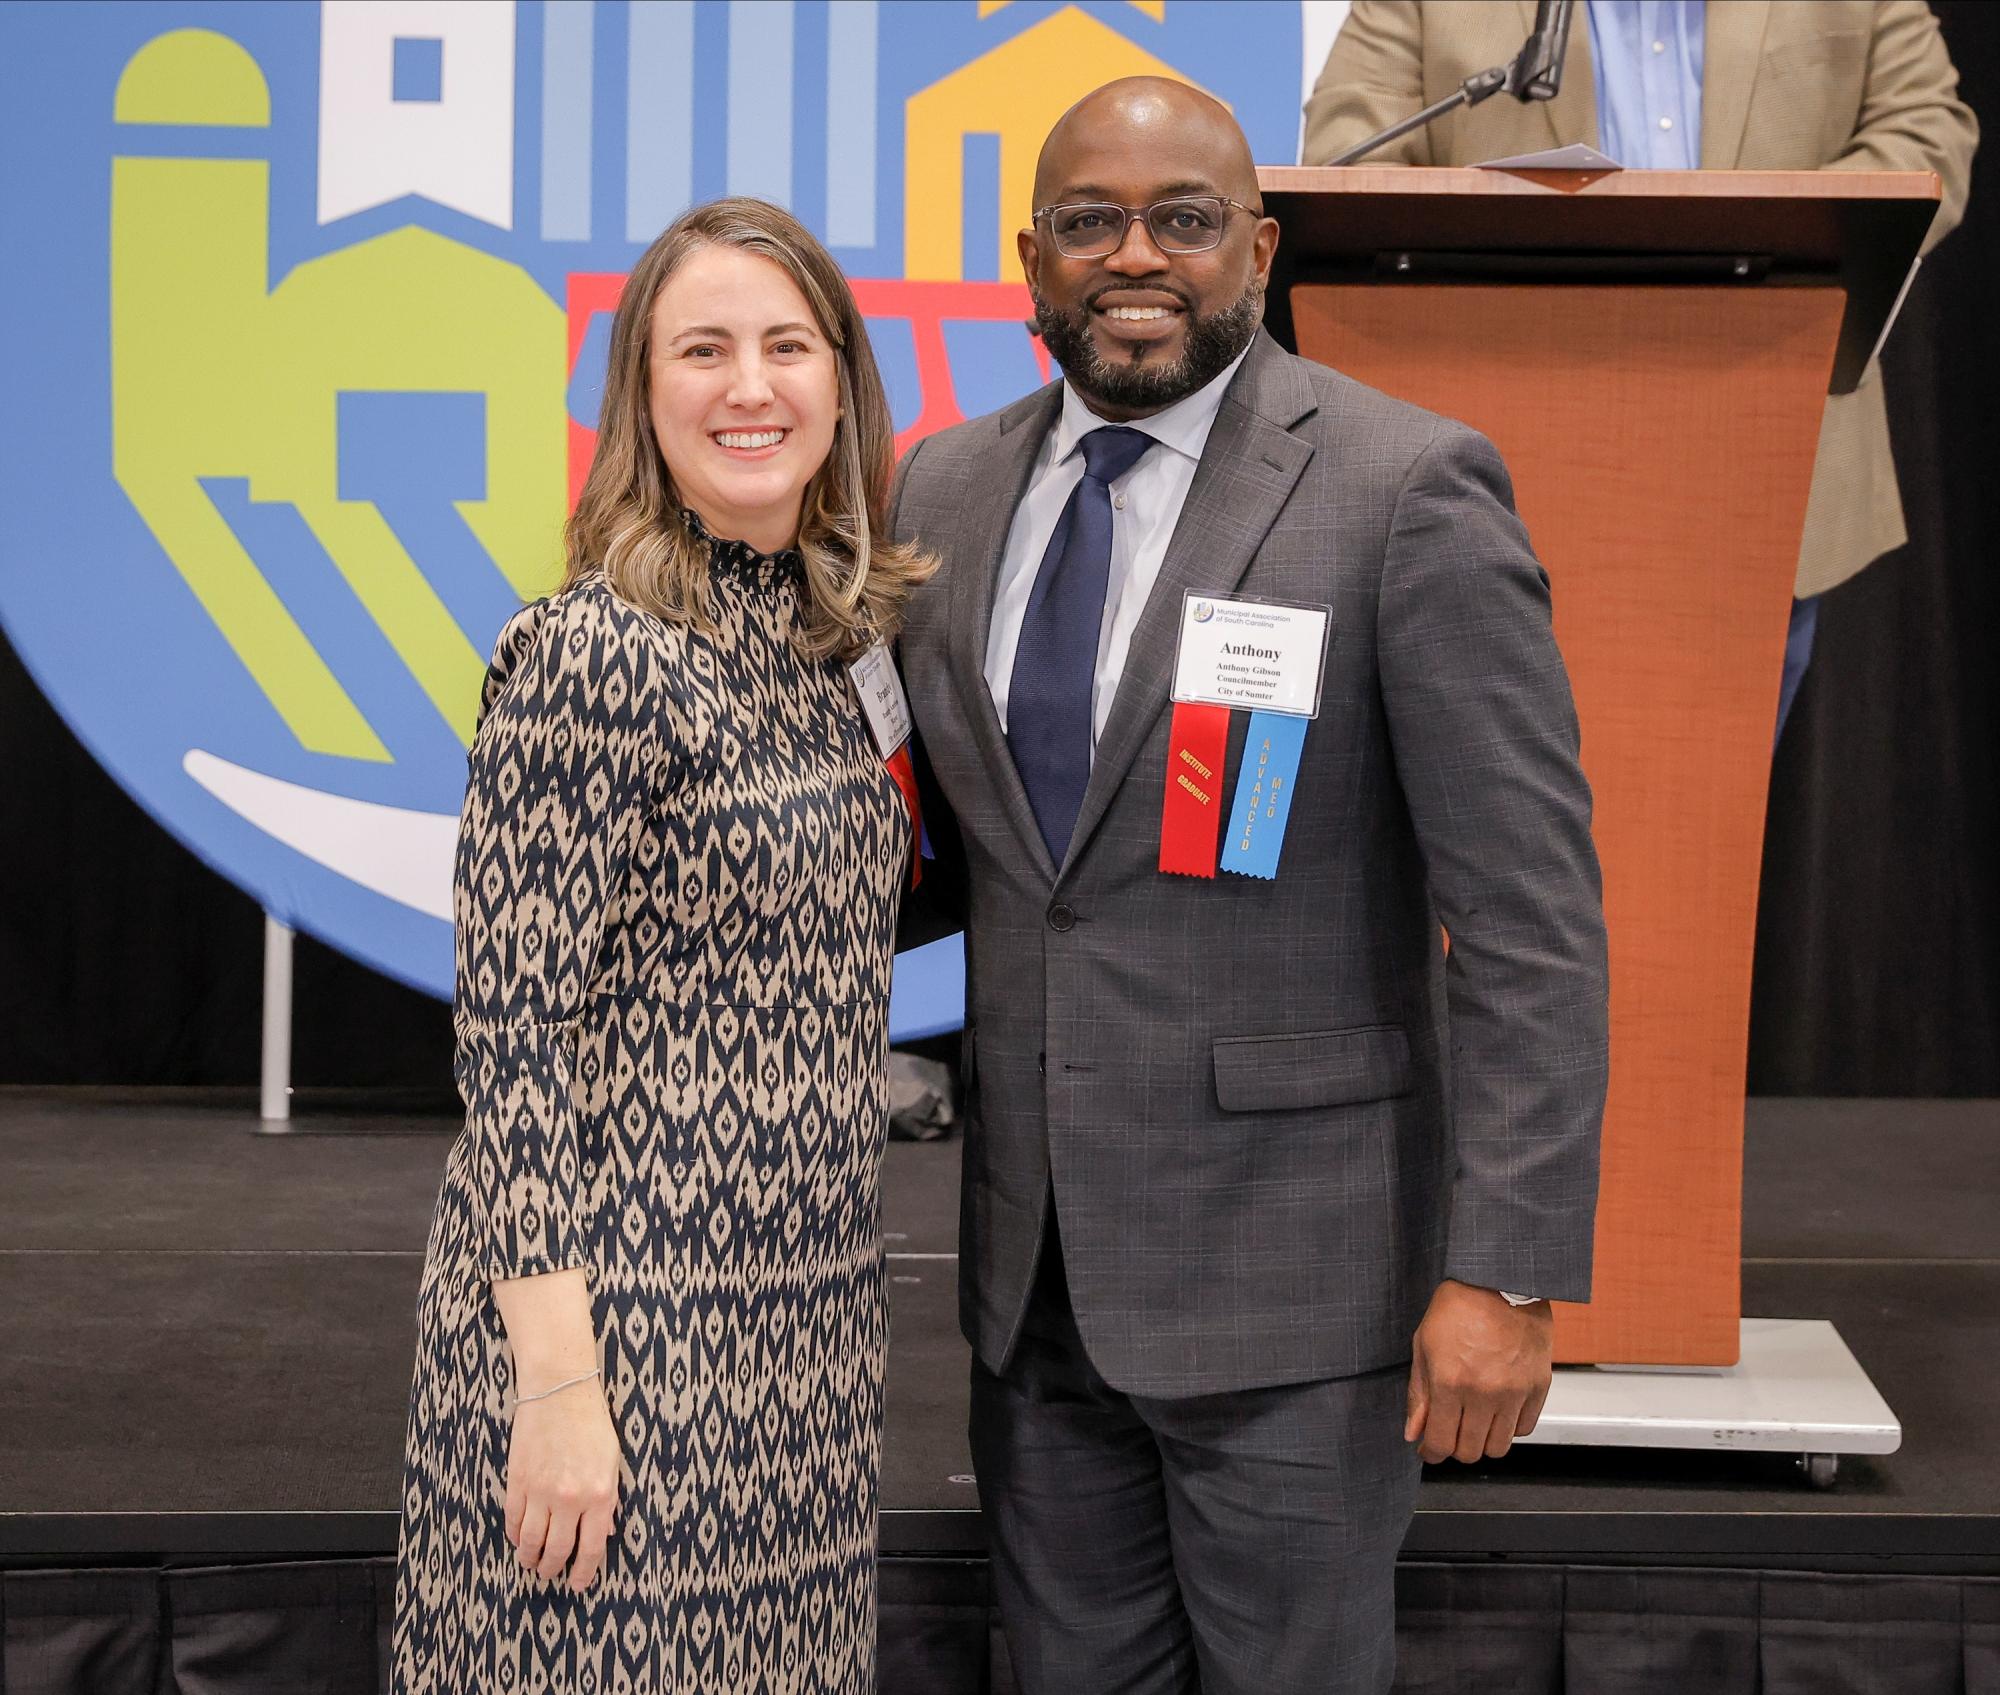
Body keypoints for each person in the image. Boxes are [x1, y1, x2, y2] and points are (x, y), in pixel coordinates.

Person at [892, 78, 1609, 1695]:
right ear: (1031, 259)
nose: (1134, 256)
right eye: (1090, 222)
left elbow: (1530, 923)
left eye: (1184, 218)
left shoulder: (1404, 490)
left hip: (1302, 1292)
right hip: (1035, 1290)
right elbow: (970, 859)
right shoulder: (937, 491)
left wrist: (1507, 1269)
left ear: (1261, 248)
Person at [392, 197, 933, 1694]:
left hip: (805, 1336)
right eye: (702, 349)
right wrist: (560, 1385)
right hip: (619, 1327)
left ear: (842, 380)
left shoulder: (842, 644)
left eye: (784, 344)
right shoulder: (589, 651)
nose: (749, 386)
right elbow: (511, 1043)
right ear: (640, 391)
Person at [1304, 0, 1978, 741]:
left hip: (1767, 463)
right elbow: (1349, 151)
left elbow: (1927, 133)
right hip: (1496, 473)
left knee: (1698, 819)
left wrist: (1763, 226)